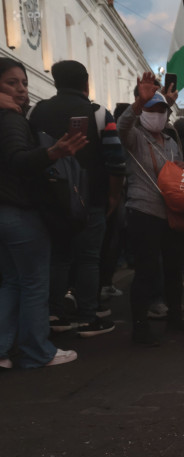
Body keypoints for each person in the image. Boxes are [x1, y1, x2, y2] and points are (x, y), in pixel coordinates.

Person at [0, 58, 87, 369]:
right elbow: (17, 160)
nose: (22, 89)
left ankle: (3, 350)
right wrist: (53, 153)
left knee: (12, 282)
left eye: (24, 83)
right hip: (20, 212)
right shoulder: (11, 120)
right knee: (34, 283)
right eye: (11, 82)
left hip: (5, 213)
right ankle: (37, 350)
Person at [29, 60, 126, 337]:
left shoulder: (36, 111)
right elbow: (116, 162)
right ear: (86, 83)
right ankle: (87, 317)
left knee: (58, 257)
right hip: (90, 199)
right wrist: (113, 197)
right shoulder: (98, 113)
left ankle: (55, 314)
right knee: (88, 259)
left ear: (56, 82)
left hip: (49, 200)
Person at [118, 71, 184, 345]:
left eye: (162, 110)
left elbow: (177, 170)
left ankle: (175, 317)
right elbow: (122, 126)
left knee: (174, 269)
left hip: (173, 214)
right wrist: (140, 101)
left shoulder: (172, 141)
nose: (157, 114)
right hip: (144, 213)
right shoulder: (135, 137)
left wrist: (182, 168)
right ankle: (140, 329)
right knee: (146, 271)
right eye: (152, 110)